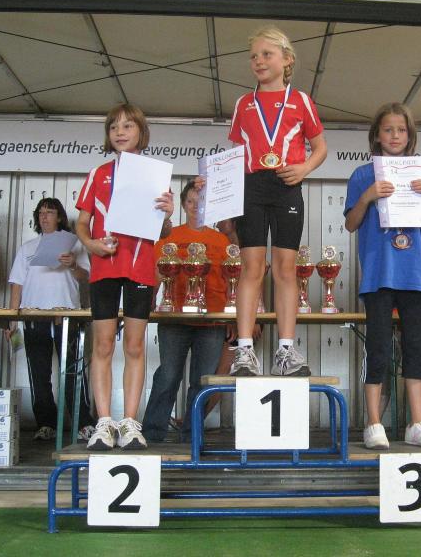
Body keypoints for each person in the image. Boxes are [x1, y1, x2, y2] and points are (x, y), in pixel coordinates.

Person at [226, 26, 327, 377]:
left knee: (286, 269)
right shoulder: (244, 103)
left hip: (287, 186)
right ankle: (244, 351)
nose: (258, 61)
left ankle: (286, 351)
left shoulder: (301, 100)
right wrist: (219, 186)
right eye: (253, 56)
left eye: (266, 54)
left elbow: (320, 147)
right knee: (251, 268)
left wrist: (304, 168)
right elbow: (236, 153)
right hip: (252, 186)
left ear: (287, 59)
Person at [344, 102, 421, 450]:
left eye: (401, 130)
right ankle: (373, 423)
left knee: (415, 347)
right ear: (376, 136)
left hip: (413, 275)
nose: (395, 135)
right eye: (388, 130)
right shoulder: (362, 175)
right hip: (378, 274)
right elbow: (351, 224)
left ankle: (417, 422)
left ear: (410, 135)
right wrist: (367, 197)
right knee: (378, 348)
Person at [75, 104, 174, 450]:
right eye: (114, 126)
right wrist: (91, 245)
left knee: (134, 346)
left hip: (140, 267)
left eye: (128, 126)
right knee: (102, 345)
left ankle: (131, 422)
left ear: (141, 132)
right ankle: (104, 422)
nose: (120, 132)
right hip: (105, 267)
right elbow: (82, 222)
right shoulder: (98, 173)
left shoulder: (155, 176)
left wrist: (168, 214)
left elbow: (163, 231)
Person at [142, 181, 235, 442]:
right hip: (175, 318)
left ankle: (192, 435)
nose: (196, 206)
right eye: (191, 201)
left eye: (201, 201)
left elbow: (232, 281)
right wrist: (148, 301)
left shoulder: (221, 240)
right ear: (183, 205)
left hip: (212, 320)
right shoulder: (169, 237)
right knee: (168, 375)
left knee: (202, 381)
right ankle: (152, 433)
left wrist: (232, 317)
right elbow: (156, 272)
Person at [5, 197, 95, 441]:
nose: (44, 216)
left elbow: (85, 276)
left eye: (50, 212)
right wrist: (11, 319)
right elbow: (17, 284)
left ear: (60, 217)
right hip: (34, 315)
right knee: (39, 373)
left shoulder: (75, 244)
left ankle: (83, 423)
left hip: (67, 315)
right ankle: (46, 423)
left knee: (74, 372)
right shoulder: (27, 248)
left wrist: (73, 264)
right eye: (41, 212)